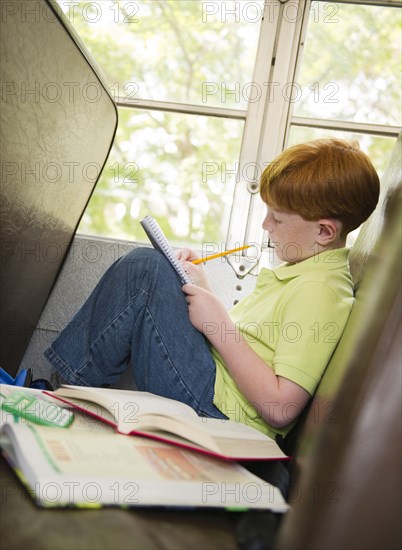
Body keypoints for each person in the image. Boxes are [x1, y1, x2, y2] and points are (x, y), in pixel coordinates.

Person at [44, 138, 380, 440]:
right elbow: (250, 346)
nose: (266, 226)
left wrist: (218, 326)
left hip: (220, 415)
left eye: (277, 218)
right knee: (151, 268)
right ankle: (60, 391)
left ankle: (56, 397)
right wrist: (201, 284)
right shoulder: (302, 271)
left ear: (324, 231)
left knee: (144, 270)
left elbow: (280, 408)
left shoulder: (320, 292)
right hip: (215, 387)